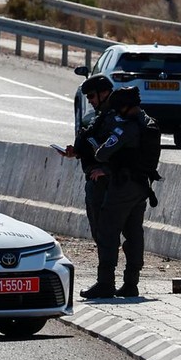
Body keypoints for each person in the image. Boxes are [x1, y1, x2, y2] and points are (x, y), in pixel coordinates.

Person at [80, 86, 162, 299]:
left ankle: (105, 283)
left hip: (122, 186)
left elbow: (102, 153)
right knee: (134, 234)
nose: (116, 112)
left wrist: (91, 142)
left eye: (118, 109)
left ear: (125, 107)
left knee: (107, 230)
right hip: (141, 186)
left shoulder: (126, 128)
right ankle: (131, 283)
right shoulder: (149, 123)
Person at [59, 74, 114, 246]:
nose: (89, 100)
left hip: (109, 182)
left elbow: (122, 151)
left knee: (107, 233)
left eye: (91, 96)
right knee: (100, 233)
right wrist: (75, 152)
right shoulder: (100, 117)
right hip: (97, 180)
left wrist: (107, 170)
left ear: (104, 93)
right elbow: (91, 143)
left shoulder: (114, 119)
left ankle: (109, 270)